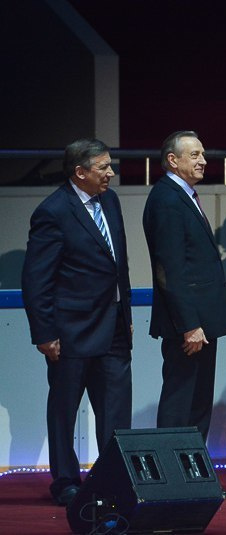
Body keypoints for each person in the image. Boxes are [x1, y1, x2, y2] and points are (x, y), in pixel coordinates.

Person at [21, 138, 133, 506]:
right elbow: (37, 279)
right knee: (64, 409)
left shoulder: (110, 201)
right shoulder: (52, 211)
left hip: (113, 326)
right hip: (70, 331)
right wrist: (45, 332)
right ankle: (66, 480)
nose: (111, 173)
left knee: (116, 411)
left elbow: (120, 265)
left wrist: (126, 314)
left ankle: (113, 478)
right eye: (103, 167)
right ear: (80, 172)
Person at [142, 131, 226, 441]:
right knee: (181, 399)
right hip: (188, 326)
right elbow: (170, 270)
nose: (203, 161)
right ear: (172, 160)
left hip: (201, 323)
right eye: (194, 155)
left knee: (197, 401)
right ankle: (173, 475)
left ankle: (194, 468)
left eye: (202, 154)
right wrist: (189, 325)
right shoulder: (167, 199)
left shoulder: (182, 196)